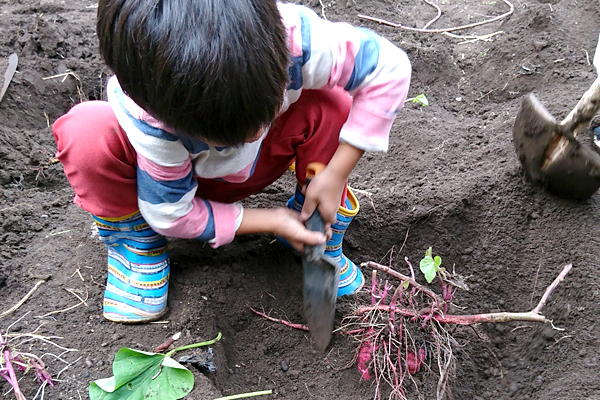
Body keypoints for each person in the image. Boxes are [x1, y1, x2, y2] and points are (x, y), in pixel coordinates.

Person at [52, 0, 412, 323]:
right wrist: (270, 221)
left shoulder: (291, 40)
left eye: (263, 114)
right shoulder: (151, 121)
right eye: (233, 134)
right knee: (87, 135)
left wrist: (335, 173)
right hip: (180, 187)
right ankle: (136, 246)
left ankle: (314, 224)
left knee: (332, 102)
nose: (255, 133)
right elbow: (170, 213)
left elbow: (390, 69)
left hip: (263, 165)